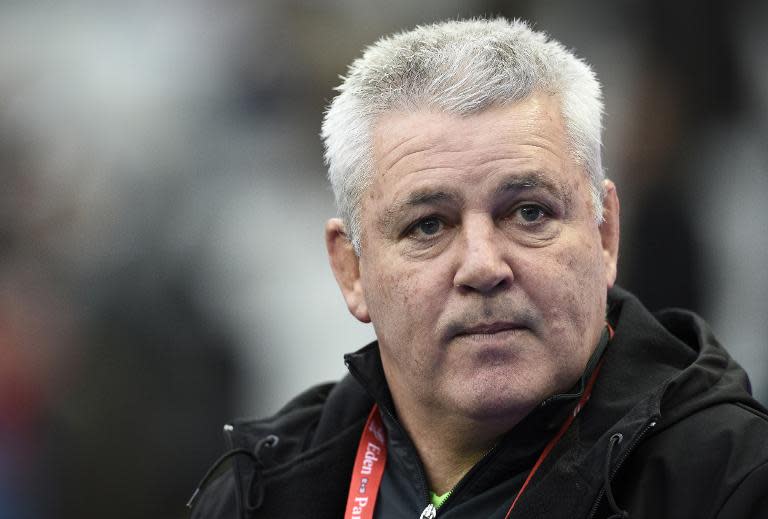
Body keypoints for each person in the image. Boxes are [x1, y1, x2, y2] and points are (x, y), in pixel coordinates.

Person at [188, 18, 768, 519]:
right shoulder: (260, 494)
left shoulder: (731, 483)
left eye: (529, 213)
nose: (483, 266)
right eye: (428, 226)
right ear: (352, 271)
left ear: (605, 235)